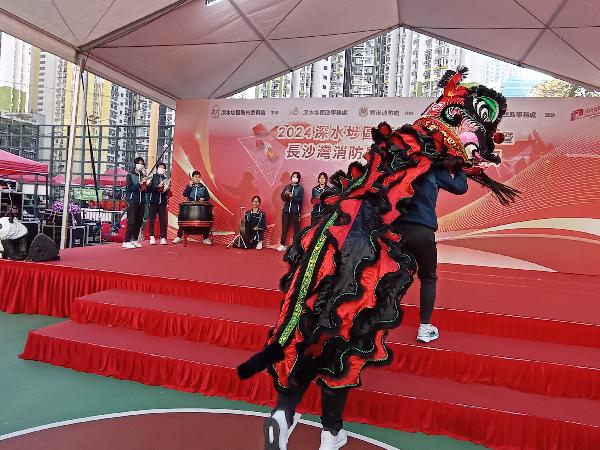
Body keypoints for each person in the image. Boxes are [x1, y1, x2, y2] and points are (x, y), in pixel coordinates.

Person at [395, 157, 468, 343]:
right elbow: (460, 187)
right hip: (422, 231)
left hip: (397, 230)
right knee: (428, 278)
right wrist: (460, 168)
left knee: (394, 276)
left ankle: (378, 320)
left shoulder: (400, 166)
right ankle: (425, 327)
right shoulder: (433, 170)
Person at [173, 170, 211, 244]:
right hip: (189, 207)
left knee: (206, 221)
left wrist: (203, 199)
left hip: (200, 207)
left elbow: (207, 197)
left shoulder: (203, 188)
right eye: (195, 177)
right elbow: (185, 194)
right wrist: (189, 186)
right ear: (192, 178)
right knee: (182, 219)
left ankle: (205, 238)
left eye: (199, 177)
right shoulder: (190, 186)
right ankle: (179, 237)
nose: (197, 178)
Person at [123, 157, 151, 249]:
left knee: (139, 221)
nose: (140, 165)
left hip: (142, 201)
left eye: (142, 164)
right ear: (135, 164)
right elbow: (130, 188)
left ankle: (134, 239)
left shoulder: (143, 175)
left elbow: (145, 190)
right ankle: (126, 241)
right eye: (139, 163)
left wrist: (147, 184)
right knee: (131, 221)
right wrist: (140, 183)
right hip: (132, 201)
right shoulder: (130, 175)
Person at [277, 171, 303, 252]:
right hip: (286, 211)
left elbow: (300, 200)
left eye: (296, 177)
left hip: (295, 212)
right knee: (284, 228)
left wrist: (293, 196)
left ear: (298, 179)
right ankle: (282, 244)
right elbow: (282, 197)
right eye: (293, 176)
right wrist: (286, 195)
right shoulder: (287, 186)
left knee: (296, 230)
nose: (294, 178)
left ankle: (295, 246)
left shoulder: (300, 188)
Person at [146, 162, 170, 245]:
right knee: (151, 219)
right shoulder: (153, 177)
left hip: (162, 202)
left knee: (163, 220)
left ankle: (163, 237)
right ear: (157, 168)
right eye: (160, 167)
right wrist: (157, 188)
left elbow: (166, 191)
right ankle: (151, 236)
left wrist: (166, 190)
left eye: (163, 168)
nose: (161, 169)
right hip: (153, 201)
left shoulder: (166, 179)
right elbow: (148, 189)